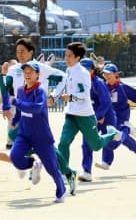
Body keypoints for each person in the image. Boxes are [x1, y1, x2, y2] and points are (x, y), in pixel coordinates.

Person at [0, 38, 77, 195]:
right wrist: (6, 105)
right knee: (15, 135)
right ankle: (33, 165)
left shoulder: (42, 69)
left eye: (22, 51)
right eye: (17, 52)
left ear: (31, 52)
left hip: (37, 112)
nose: (19, 54)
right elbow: (6, 87)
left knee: (46, 147)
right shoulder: (14, 70)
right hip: (21, 112)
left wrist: (53, 96)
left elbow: (63, 77)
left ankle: (66, 172)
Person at [52, 42, 121, 178]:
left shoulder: (83, 74)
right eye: (66, 55)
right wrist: (53, 97)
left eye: (69, 56)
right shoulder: (68, 70)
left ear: (77, 57)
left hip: (85, 115)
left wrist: (71, 97)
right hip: (71, 114)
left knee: (96, 145)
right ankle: (65, 174)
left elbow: (84, 96)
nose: (66, 58)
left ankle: (112, 134)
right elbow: (61, 85)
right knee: (63, 143)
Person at [9, 61, 67, 203]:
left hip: (41, 136)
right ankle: (34, 164)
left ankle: (61, 189)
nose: (27, 75)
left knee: (52, 168)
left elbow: (36, 108)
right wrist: (16, 119)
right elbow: (21, 110)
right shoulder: (21, 90)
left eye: (31, 72)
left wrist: (16, 102)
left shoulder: (40, 91)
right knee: (15, 157)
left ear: (37, 75)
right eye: (25, 72)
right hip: (24, 134)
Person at [95, 63, 136, 170]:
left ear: (115, 74)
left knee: (116, 136)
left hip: (121, 118)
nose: (106, 76)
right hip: (109, 117)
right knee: (115, 138)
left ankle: (128, 128)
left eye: (109, 74)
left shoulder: (122, 87)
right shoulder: (103, 87)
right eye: (105, 74)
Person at [77, 58, 116, 182]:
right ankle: (87, 171)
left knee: (112, 142)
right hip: (91, 116)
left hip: (106, 115)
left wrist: (99, 116)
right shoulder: (80, 83)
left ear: (93, 70)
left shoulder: (98, 83)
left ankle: (126, 131)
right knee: (86, 143)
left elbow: (106, 102)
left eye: (86, 70)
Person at [3, 59, 17, 149]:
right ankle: (9, 142)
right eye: (12, 65)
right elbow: (4, 90)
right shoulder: (7, 77)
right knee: (11, 122)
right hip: (11, 99)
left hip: (20, 99)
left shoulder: (20, 74)